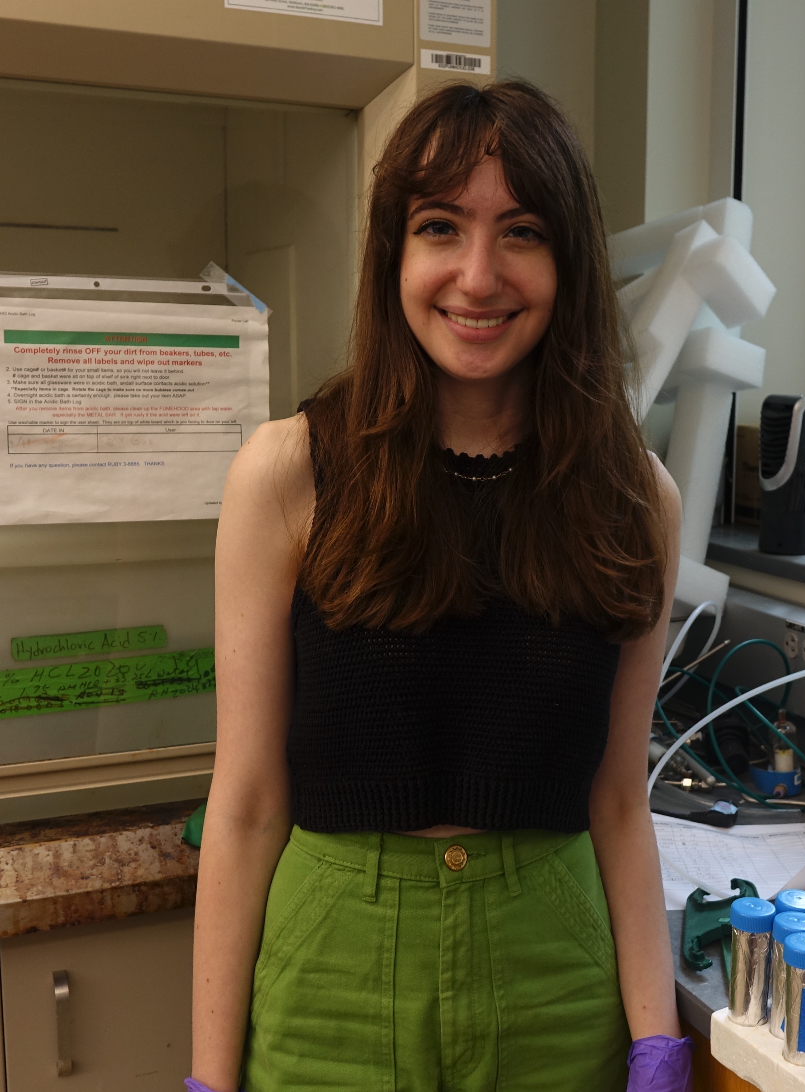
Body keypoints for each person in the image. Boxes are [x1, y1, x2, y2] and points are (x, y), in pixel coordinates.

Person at [190, 82, 691, 1092]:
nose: (476, 274)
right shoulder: (286, 473)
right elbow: (244, 806)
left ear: (568, 265)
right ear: (393, 255)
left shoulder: (634, 496)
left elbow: (618, 802)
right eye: (438, 227)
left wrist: (655, 1036)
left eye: (521, 232)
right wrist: (209, 1075)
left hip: (556, 974)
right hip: (327, 976)